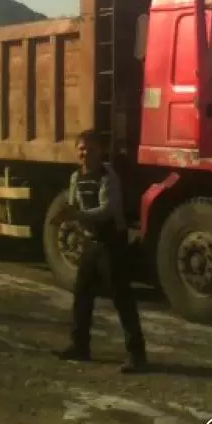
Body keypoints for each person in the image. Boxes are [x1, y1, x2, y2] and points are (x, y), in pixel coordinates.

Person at [56, 129, 147, 373]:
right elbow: (74, 205)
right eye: (82, 149)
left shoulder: (108, 176)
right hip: (91, 243)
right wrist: (66, 216)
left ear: (101, 151)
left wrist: (79, 215)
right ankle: (80, 346)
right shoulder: (76, 177)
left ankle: (136, 355)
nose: (85, 154)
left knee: (122, 298)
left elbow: (108, 209)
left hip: (111, 243)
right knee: (82, 295)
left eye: (91, 149)